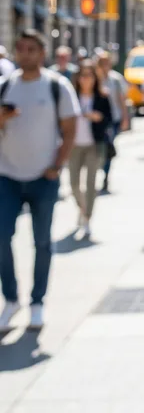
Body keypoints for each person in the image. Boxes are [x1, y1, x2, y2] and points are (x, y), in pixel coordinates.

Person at [0, 30, 80, 332]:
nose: (25, 54)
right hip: (7, 175)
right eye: (20, 48)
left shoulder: (57, 86)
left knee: (42, 241)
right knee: (1, 237)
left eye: (31, 49)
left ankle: (37, 302)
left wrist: (57, 165)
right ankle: (11, 299)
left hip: (44, 177)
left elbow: (70, 129)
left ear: (42, 53)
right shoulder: (5, 86)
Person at [69, 60, 112, 240]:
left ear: (95, 78)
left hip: (94, 145)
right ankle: (82, 208)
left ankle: (87, 218)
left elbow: (109, 119)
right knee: (74, 184)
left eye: (89, 75)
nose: (86, 79)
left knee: (91, 184)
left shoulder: (102, 96)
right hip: (74, 145)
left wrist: (98, 117)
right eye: (83, 75)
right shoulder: (71, 96)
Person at [96, 51, 129, 193]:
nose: (104, 65)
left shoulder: (116, 79)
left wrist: (125, 117)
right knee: (99, 149)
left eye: (106, 62)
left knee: (108, 147)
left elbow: (122, 99)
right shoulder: (94, 78)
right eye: (101, 63)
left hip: (112, 119)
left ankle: (105, 175)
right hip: (97, 120)